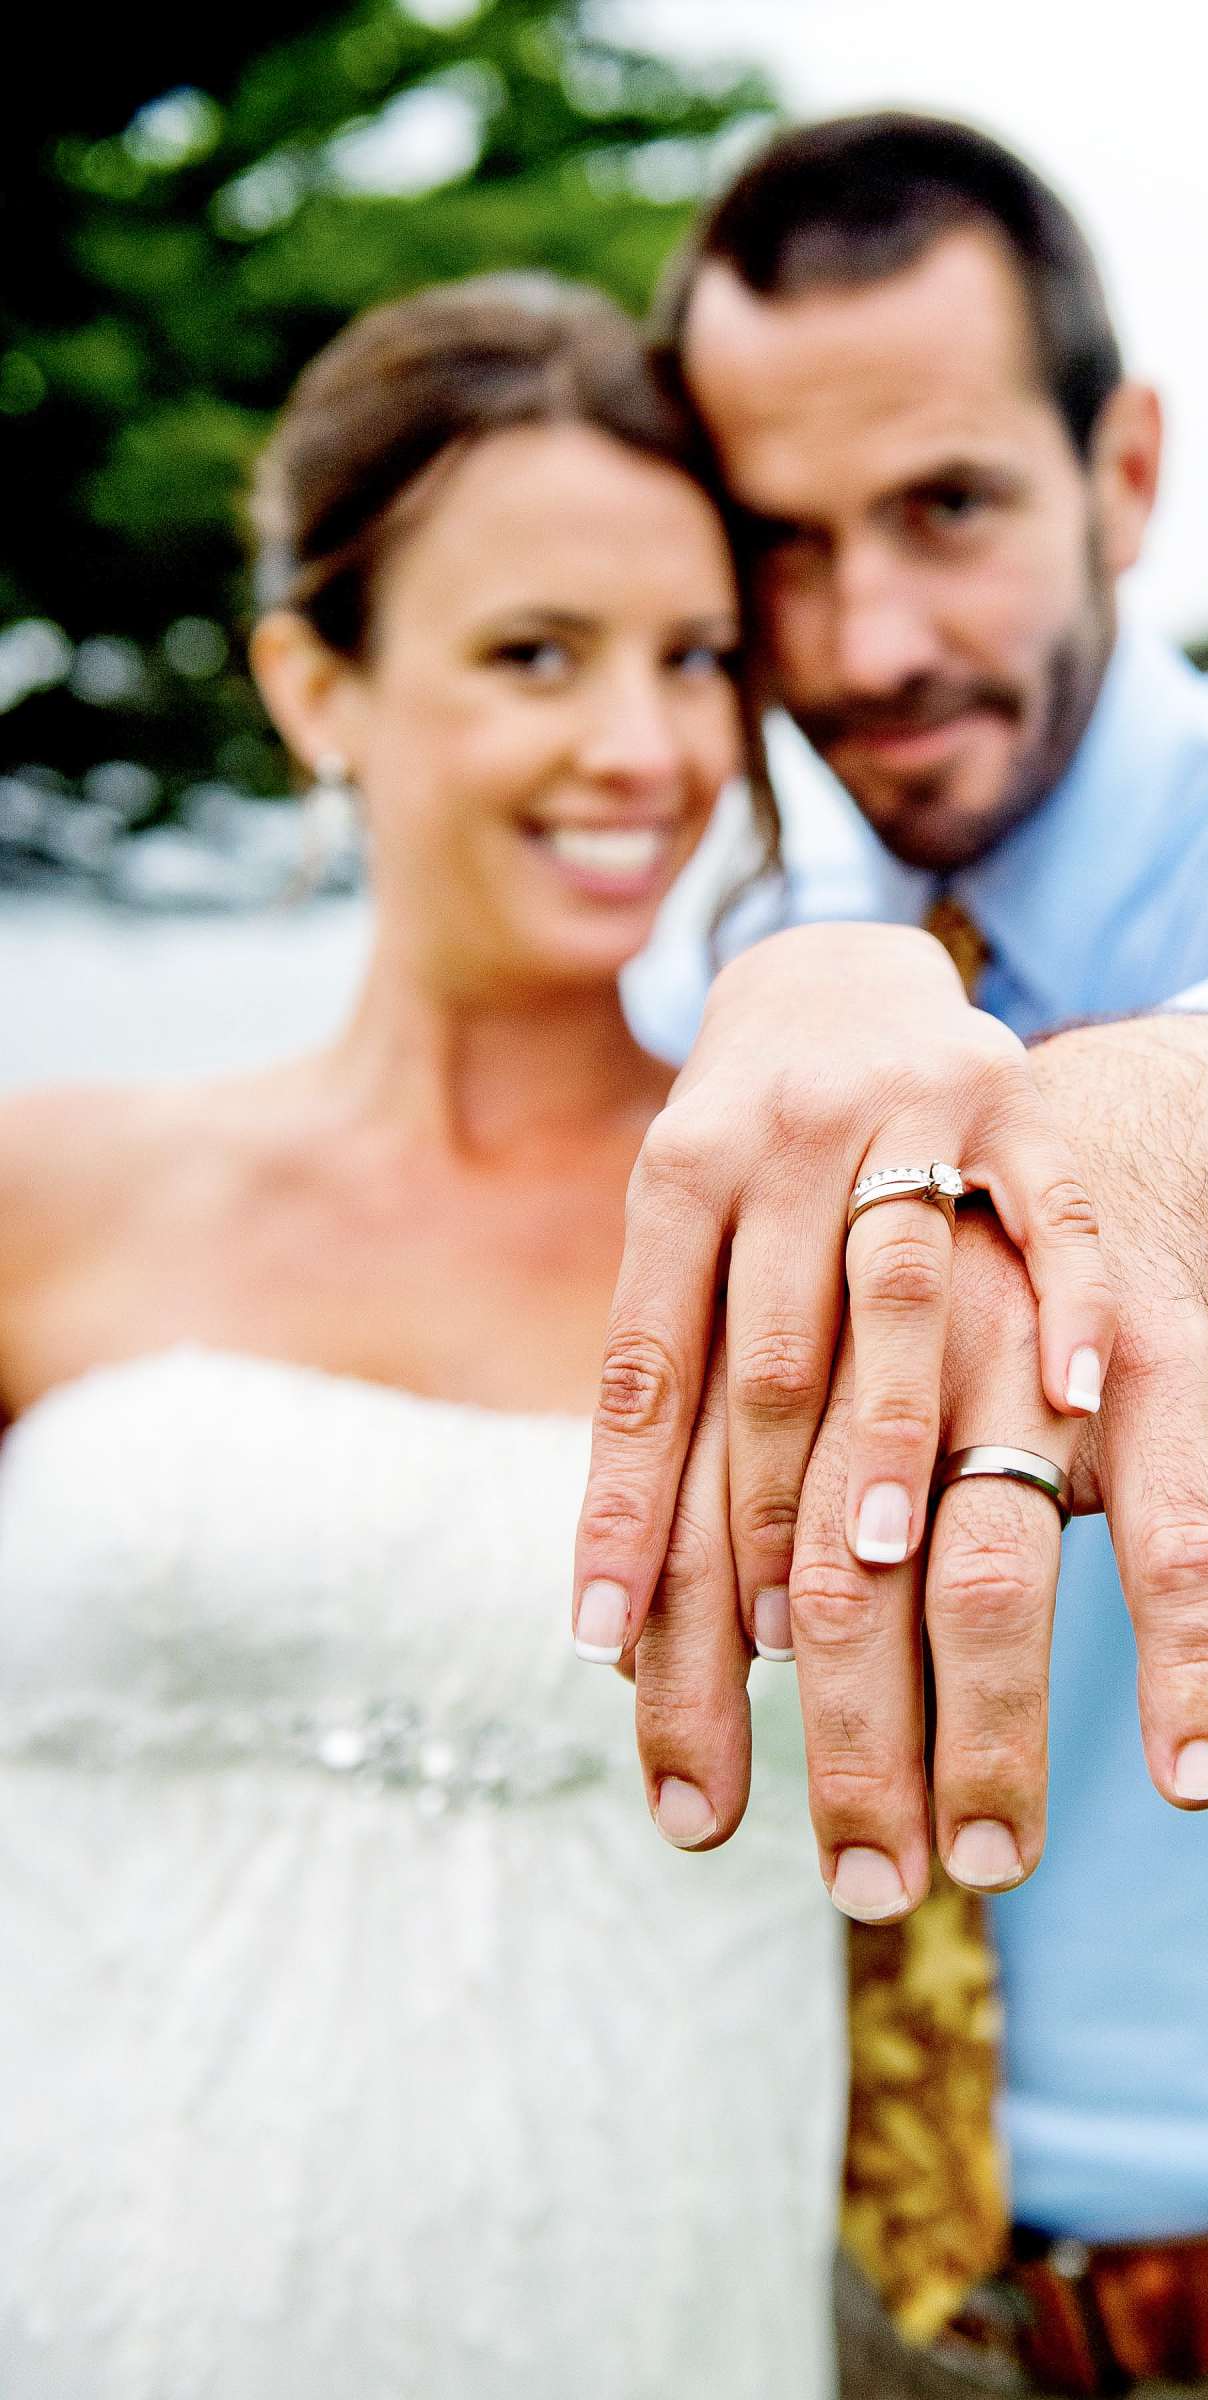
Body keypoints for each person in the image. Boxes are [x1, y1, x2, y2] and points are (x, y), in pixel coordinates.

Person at [579, 116, 1208, 2395]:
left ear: (1119, 473)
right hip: (847, 2314)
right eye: (782, 545)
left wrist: (1186, 1121)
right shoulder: (720, 992)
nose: (868, 640)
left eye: (947, 508)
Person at [0, 276, 844, 2399]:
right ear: (316, 685)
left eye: (694, 659)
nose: (641, 750)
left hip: (654, 2291)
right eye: (532, 654)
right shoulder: (50, 1191)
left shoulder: (823, 1228)